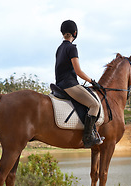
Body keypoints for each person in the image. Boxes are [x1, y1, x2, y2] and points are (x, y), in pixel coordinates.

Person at [55, 20, 103, 148]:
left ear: (62, 33)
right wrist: (92, 81)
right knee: (95, 105)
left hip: (59, 84)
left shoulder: (59, 48)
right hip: (69, 85)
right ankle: (88, 137)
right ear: (75, 33)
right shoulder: (72, 48)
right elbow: (78, 71)